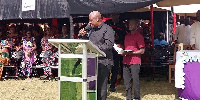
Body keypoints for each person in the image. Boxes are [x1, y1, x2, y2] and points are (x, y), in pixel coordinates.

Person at [79, 11, 115, 100]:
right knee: (92, 86)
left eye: (91, 20)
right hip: (92, 61)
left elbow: (109, 45)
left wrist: (94, 48)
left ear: (97, 19)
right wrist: (83, 36)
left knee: (101, 87)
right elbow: (88, 43)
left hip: (104, 62)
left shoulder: (108, 29)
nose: (89, 22)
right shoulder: (91, 29)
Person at [118, 18, 145, 100]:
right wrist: (121, 47)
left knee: (135, 80)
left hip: (135, 61)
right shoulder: (127, 36)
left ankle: (137, 97)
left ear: (137, 26)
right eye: (129, 24)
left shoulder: (139, 36)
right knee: (126, 81)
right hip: (126, 60)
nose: (130, 26)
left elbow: (142, 51)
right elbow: (127, 47)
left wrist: (131, 53)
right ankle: (128, 97)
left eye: (132, 24)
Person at [105, 13, 126, 92]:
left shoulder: (122, 25)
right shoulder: (107, 23)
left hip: (117, 47)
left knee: (115, 66)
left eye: (116, 15)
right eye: (113, 15)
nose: (115, 16)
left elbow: (124, 35)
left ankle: (113, 85)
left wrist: (119, 39)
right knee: (107, 66)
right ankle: (105, 84)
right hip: (107, 47)